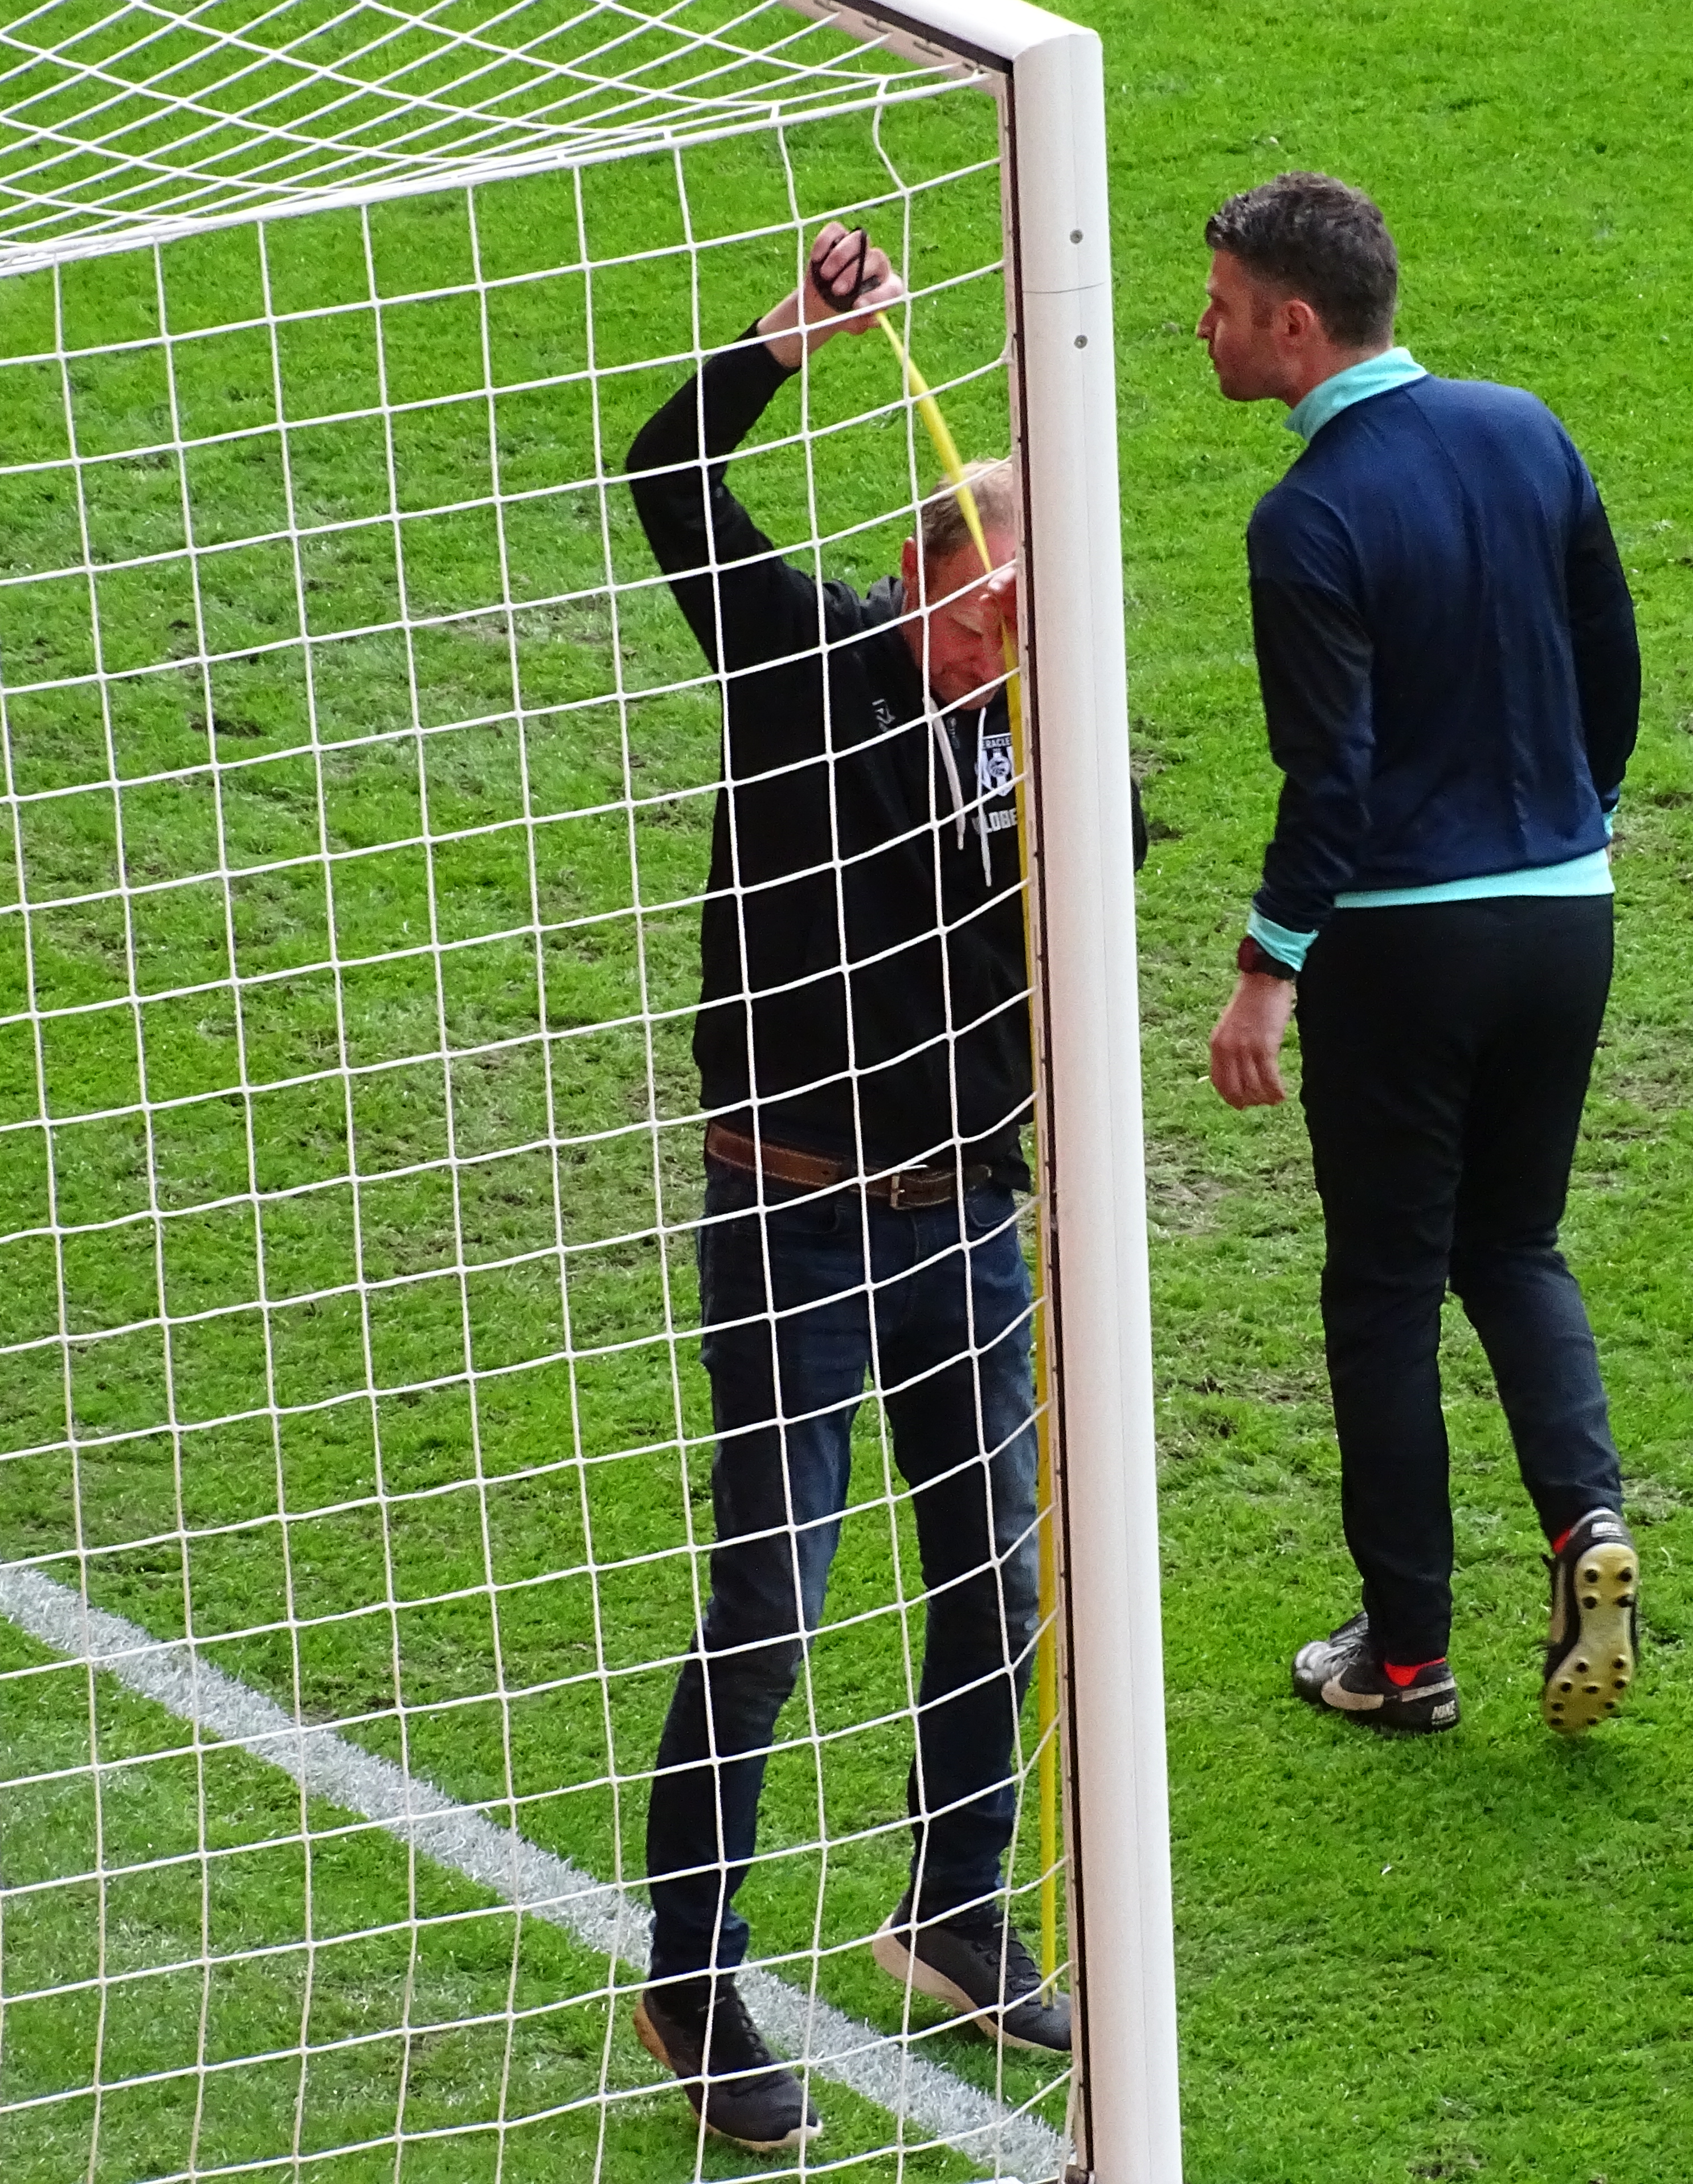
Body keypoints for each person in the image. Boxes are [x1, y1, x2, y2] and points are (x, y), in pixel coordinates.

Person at [620, 225, 1098, 2153]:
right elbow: (663, 480)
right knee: (773, 1593)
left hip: (964, 1214)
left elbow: (1065, 930)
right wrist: (785, 344)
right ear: (918, 571)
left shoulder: (1037, 740)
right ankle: (689, 1977)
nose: (1000, 646)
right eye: (988, 613)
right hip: (799, 1212)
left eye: (1030, 627)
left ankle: (955, 1911)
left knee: (998, 1575)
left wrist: (1049, 765)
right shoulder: (804, 649)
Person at [1196, 173, 1645, 1739]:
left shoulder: (1307, 517)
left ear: (1297, 327)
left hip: (1405, 947)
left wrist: (1269, 965)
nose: (1205, 329)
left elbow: (1335, 775)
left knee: (1384, 1290)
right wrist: (1574, 817)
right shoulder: (1526, 428)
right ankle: (1587, 1522)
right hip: (1565, 915)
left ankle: (1404, 1658)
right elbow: (1612, 657)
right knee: (1513, 1247)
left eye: (1228, 308)